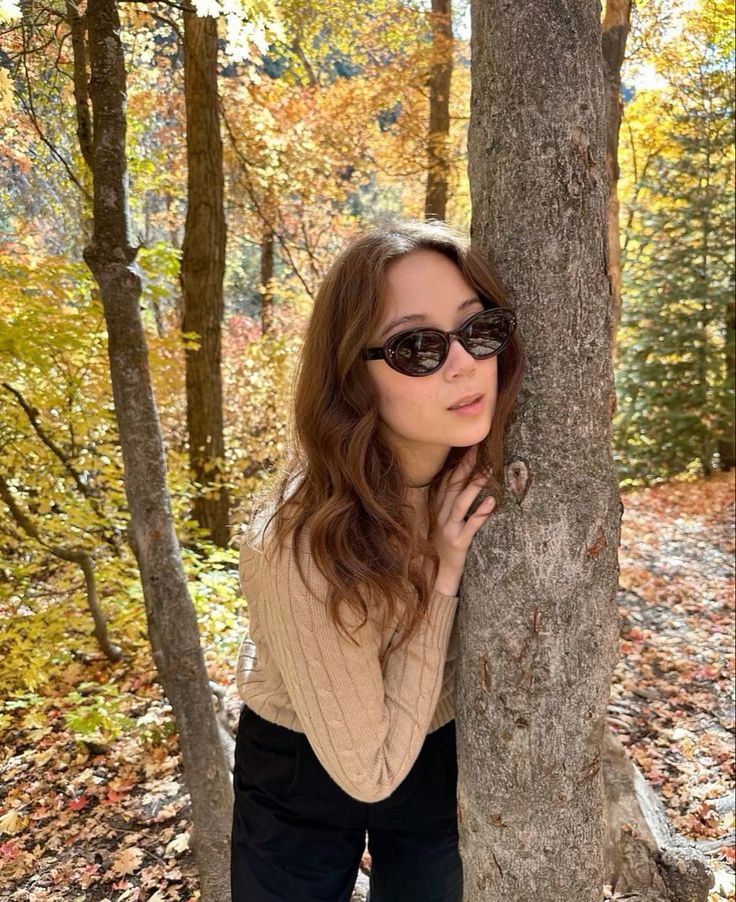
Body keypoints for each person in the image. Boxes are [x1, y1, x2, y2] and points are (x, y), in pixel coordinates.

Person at [230, 217, 524, 901]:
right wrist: (442, 570)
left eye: (478, 329)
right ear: (352, 377)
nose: (463, 363)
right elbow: (369, 770)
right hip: (303, 757)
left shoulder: (487, 474)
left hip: (438, 740)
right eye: (416, 346)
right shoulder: (301, 543)